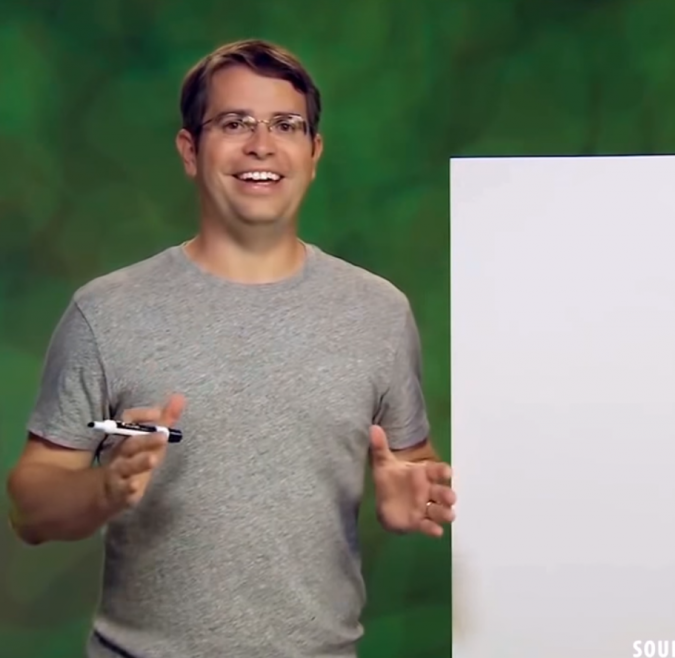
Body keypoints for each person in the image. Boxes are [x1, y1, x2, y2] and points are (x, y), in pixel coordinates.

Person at [4, 38, 455, 658]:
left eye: (286, 125)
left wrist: (414, 495)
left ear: (314, 152)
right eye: (234, 123)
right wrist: (102, 489)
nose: (261, 145)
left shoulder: (379, 312)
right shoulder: (105, 311)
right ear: (191, 150)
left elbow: (411, 462)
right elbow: (32, 505)